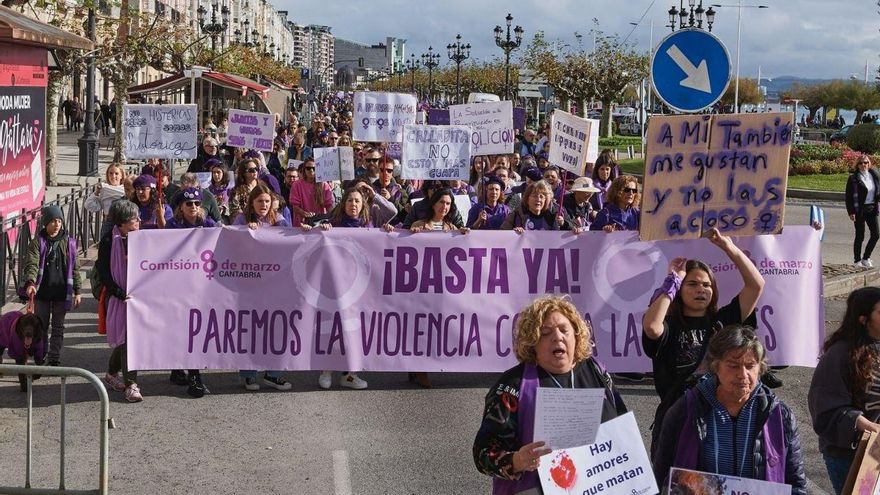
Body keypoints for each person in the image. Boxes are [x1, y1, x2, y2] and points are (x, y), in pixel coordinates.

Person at [473, 296, 627, 493]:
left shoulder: (597, 371)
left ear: (576, 336)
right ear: (532, 343)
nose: (557, 337)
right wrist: (517, 460)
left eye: (564, 330)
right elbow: (482, 453)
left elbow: (622, 429)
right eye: (545, 333)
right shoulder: (512, 386)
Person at [642, 228, 765, 456]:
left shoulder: (722, 322)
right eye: (692, 284)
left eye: (707, 285)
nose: (701, 289)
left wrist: (729, 247)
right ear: (680, 290)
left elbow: (756, 286)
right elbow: (651, 326)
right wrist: (673, 280)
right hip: (678, 420)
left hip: (720, 420)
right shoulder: (669, 325)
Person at [652, 325, 806, 492]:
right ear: (715, 367)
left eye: (750, 366)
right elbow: (660, 477)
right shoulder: (685, 410)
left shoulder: (779, 415)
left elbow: (796, 484)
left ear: (760, 368)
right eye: (733, 366)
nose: (743, 374)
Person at [809, 287, 880, 494]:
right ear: (863, 319)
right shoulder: (840, 354)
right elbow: (825, 407)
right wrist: (863, 424)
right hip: (849, 455)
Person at [302, 188, 374, 390]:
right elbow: (309, 228)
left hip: (359, 287)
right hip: (334, 285)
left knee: (354, 329)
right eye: (350, 200)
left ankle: (349, 374)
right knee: (332, 327)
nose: (353, 204)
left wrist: (387, 229)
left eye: (358, 201)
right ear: (344, 204)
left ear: (363, 205)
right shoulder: (332, 224)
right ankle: (326, 370)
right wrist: (317, 228)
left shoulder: (369, 227)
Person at [233, 186, 293, 391]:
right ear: (252, 203)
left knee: (276, 329)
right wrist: (245, 233)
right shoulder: (241, 220)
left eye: (267, 201)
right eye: (260, 201)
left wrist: (304, 231)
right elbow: (231, 244)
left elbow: (291, 243)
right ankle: (249, 374)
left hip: (276, 284)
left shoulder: (280, 221)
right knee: (251, 329)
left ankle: (273, 374)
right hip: (250, 284)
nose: (264, 205)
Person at [164, 188, 216, 397]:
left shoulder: (208, 224)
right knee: (180, 328)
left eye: (196, 203)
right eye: (189, 204)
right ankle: (180, 368)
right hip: (178, 285)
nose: (193, 207)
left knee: (195, 330)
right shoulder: (173, 226)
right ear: (180, 207)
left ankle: (194, 374)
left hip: (201, 285)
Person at [22, 205, 82, 367]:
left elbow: (75, 268)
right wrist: (31, 283)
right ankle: (41, 354)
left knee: (58, 327)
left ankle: (54, 357)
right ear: (45, 223)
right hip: (42, 292)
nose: (56, 225)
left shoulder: (69, 243)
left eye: (59, 221)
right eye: (53, 221)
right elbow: (32, 264)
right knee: (41, 326)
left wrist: (77, 291)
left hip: (62, 292)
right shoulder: (38, 243)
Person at [98, 200, 143, 403]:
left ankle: (110, 374)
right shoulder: (109, 241)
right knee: (129, 341)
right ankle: (131, 385)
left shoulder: (141, 238)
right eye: (135, 218)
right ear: (123, 222)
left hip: (137, 296)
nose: (139, 221)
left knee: (126, 339)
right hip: (118, 297)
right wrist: (119, 292)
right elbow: (104, 273)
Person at [845, 155, 880, 268]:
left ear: (869, 163)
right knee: (860, 236)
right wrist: (851, 212)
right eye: (861, 163)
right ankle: (857, 260)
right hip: (859, 210)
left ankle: (866, 258)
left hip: (872, 208)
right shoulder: (853, 178)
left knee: (876, 234)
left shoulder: (874, 175)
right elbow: (848, 197)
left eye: (865, 162)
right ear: (857, 165)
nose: (863, 165)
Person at [0, 310, 44, 391]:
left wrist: (38, 372)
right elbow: (19, 360)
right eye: (25, 325)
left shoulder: (38, 337)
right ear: (19, 325)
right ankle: (23, 383)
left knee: (39, 360)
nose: (28, 330)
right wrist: (23, 383)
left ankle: (32, 377)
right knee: (18, 357)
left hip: (33, 335)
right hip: (7, 323)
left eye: (33, 325)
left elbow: (39, 356)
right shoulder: (15, 332)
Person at [501, 180, 567, 233]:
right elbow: (503, 235)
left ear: (545, 200)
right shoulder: (516, 214)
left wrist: (564, 225)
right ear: (527, 198)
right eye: (534, 196)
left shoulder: (552, 216)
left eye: (541, 197)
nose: (538, 199)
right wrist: (513, 233)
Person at [289, 159, 334, 226]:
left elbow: (329, 205)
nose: (311, 170)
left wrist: (333, 219)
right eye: (308, 168)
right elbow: (295, 206)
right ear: (304, 169)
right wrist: (304, 214)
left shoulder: (324, 185)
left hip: (320, 224)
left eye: (314, 168)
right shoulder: (296, 185)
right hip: (301, 224)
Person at [371, 156, 409, 224]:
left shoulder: (400, 192)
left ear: (392, 172)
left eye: (389, 170)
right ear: (378, 170)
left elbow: (404, 214)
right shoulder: (371, 189)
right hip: (374, 228)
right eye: (382, 170)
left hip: (393, 228)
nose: (385, 173)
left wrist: (390, 199)